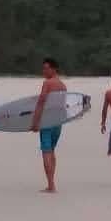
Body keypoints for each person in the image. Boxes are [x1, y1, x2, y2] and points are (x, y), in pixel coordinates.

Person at [29, 57, 66, 193]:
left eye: (46, 68)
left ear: (54, 69)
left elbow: (41, 103)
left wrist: (35, 122)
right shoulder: (63, 85)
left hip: (47, 122)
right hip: (58, 122)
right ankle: (51, 182)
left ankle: (51, 185)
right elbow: (62, 106)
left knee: (46, 152)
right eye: (43, 68)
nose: (43, 70)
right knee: (51, 151)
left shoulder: (48, 83)